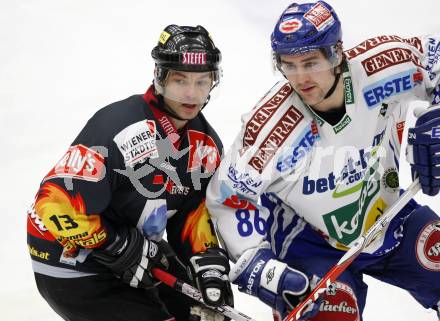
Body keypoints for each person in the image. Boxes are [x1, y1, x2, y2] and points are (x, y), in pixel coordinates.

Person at [206, 1, 440, 320]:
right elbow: (230, 200)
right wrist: (257, 263)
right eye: (289, 65)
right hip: (308, 241)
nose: (300, 77)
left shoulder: (383, 66)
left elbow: (434, 58)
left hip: (389, 215)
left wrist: (437, 118)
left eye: (310, 62)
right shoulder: (271, 131)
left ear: (337, 53)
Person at [27, 24, 233, 321]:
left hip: (135, 249)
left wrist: (207, 262)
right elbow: (54, 204)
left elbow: (191, 213)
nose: (192, 94)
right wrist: (115, 244)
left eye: (202, 82)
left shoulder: (205, 144)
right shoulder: (120, 127)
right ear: (159, 77)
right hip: (69, 261)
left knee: (213, 313)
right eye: (180, 80)